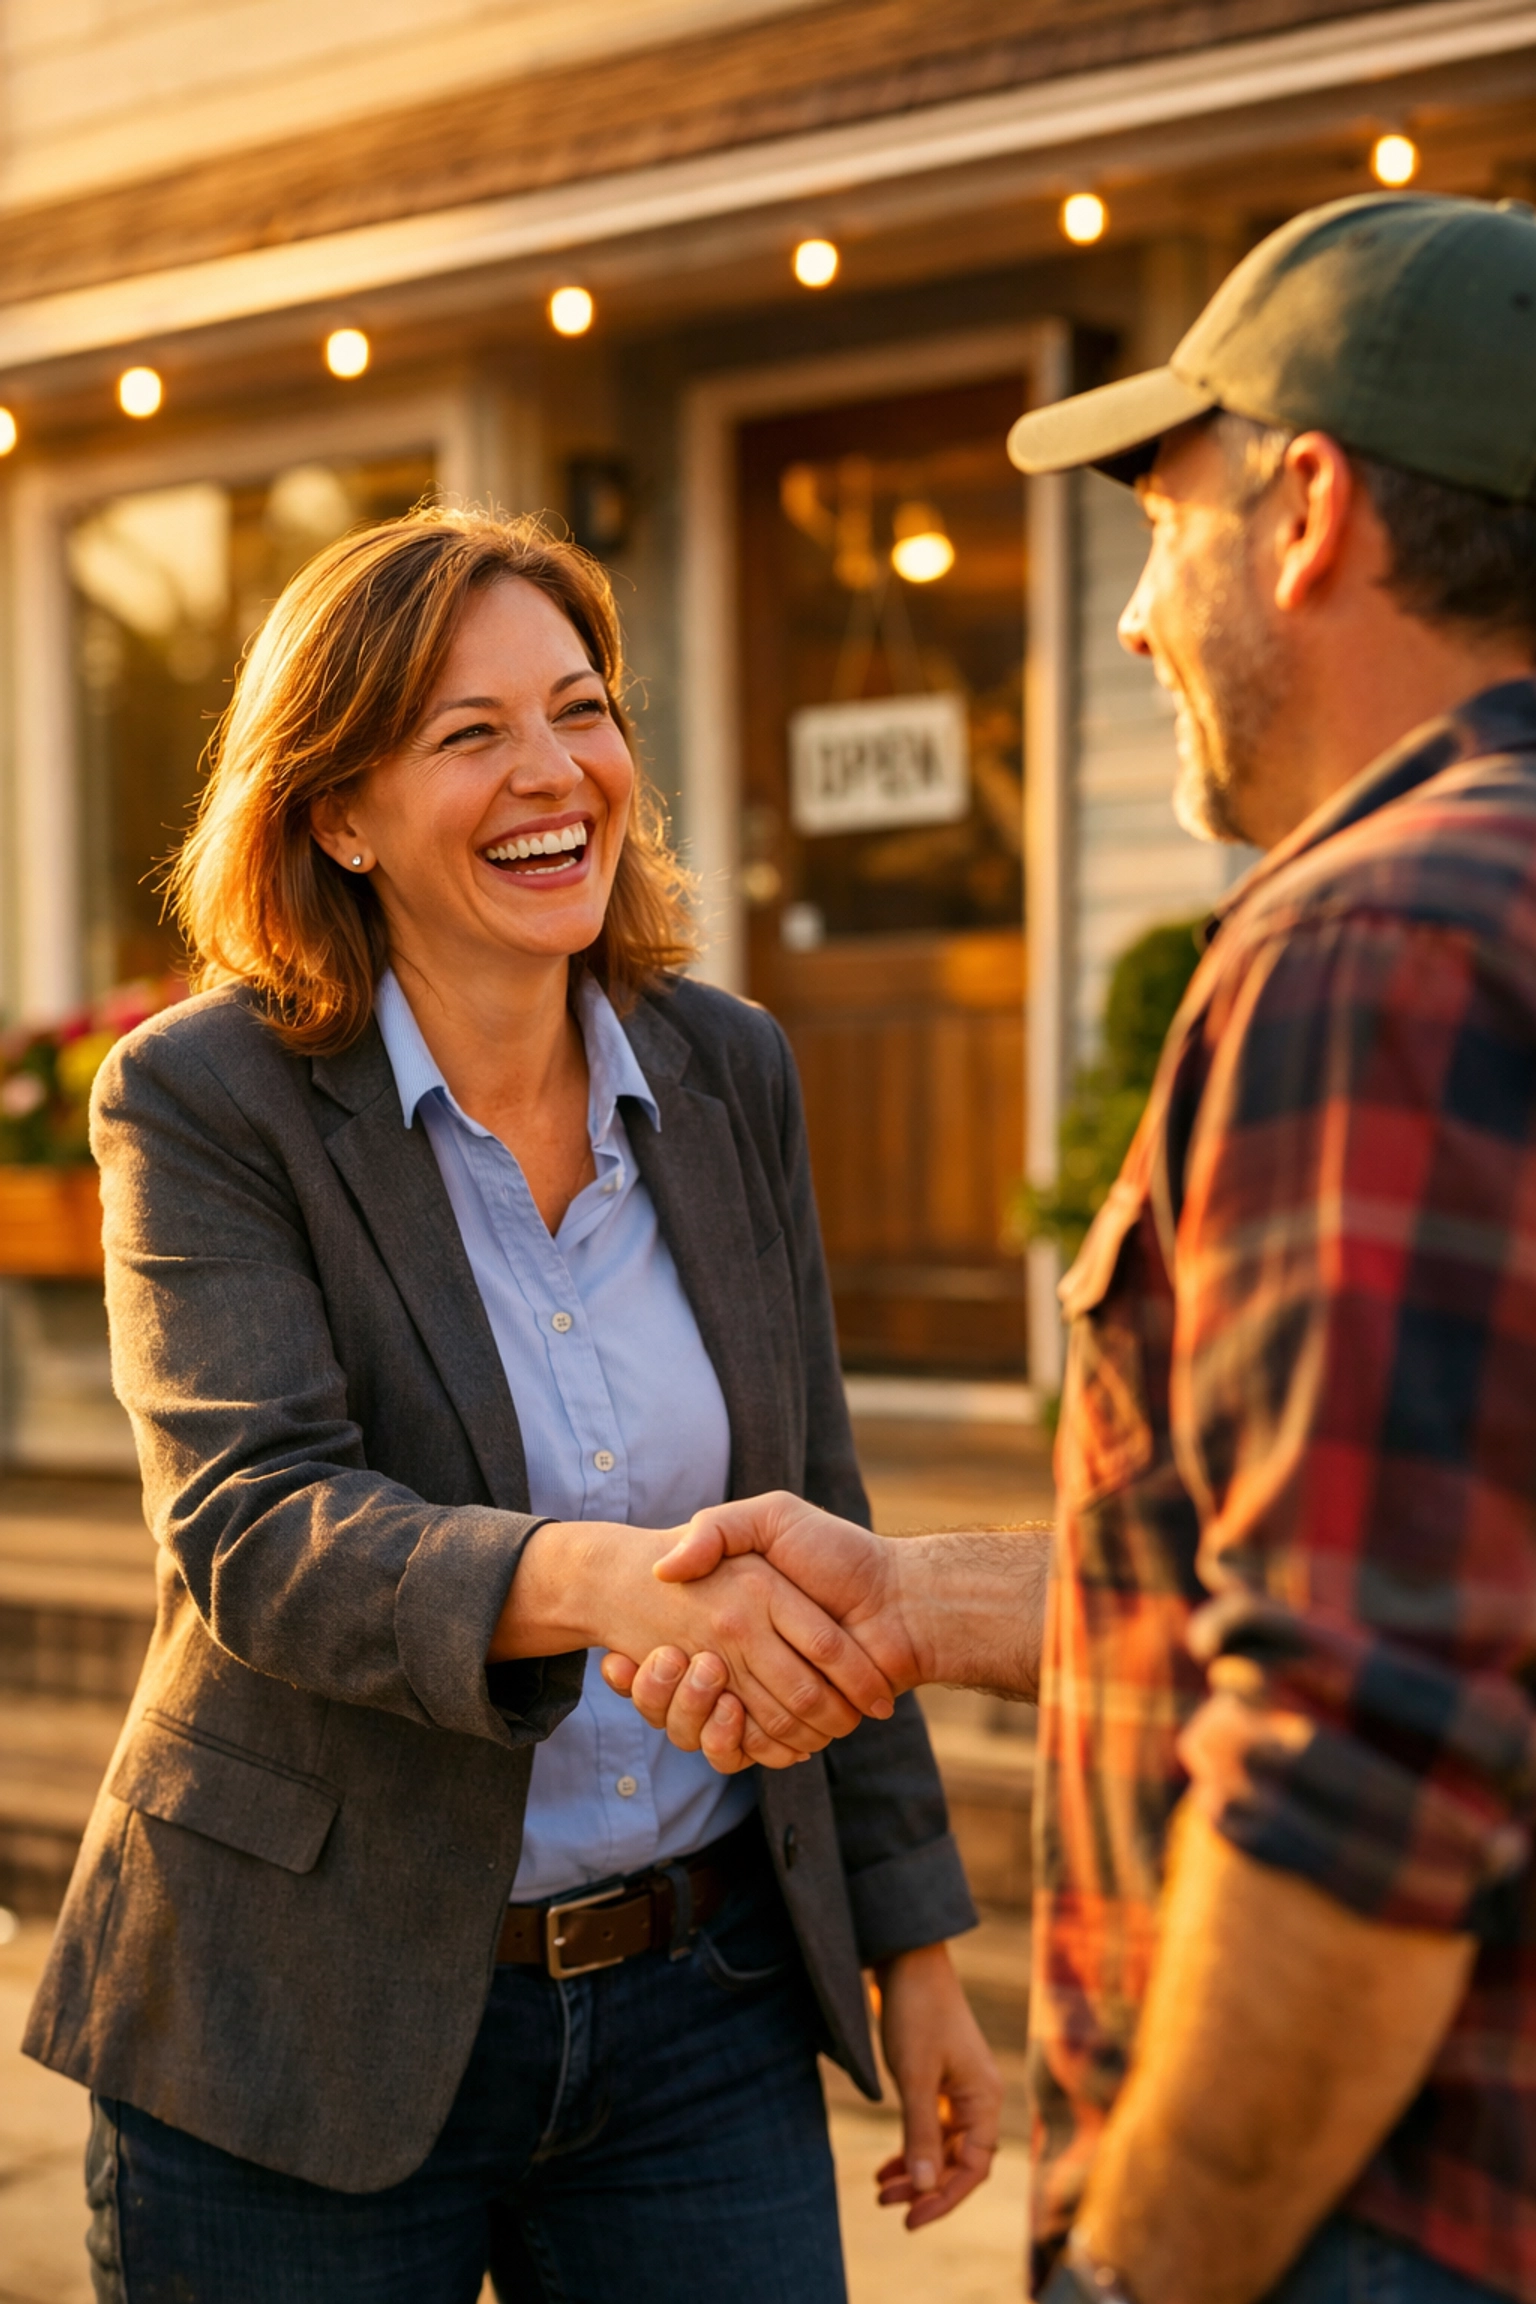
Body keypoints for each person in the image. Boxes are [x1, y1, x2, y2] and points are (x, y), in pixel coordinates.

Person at [608, 192, 1536, 2304]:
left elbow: (1362, 1768)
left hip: (1374, 2219)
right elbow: (1430, 1565)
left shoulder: (1379, 942)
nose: (1131, 619)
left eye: (1161, 520)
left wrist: (1147, 2269)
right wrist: (914, 1596)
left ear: (1304, 510)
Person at [23, 510, 1001, 2303]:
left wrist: (914, 1937)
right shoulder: (204, 1099)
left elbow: (822, 1495)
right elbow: (257, 1521)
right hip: (299, 2018)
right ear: (337, 812)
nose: (554, 773)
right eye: (467, 733)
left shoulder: (728, 1068)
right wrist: (602, 1580)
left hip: (704, 2005)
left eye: (580, 707)